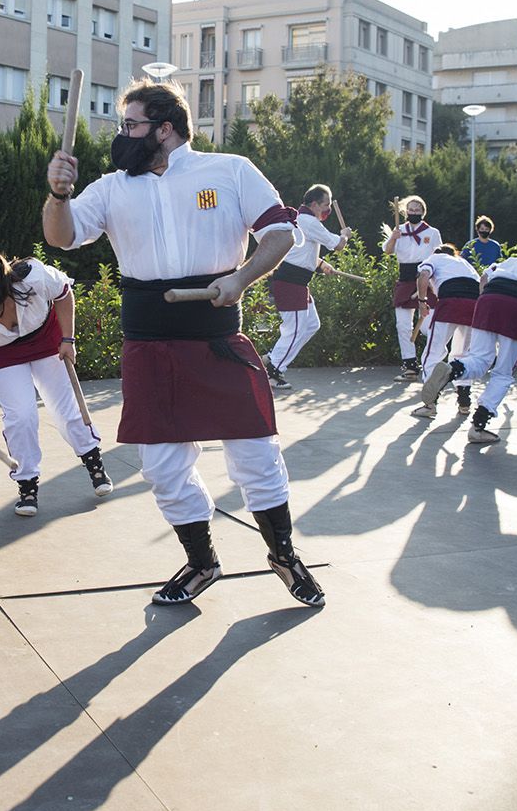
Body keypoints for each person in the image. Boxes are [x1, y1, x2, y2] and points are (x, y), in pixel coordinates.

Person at [43, 78, 324, 608]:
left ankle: (284, 555)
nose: (122, 134)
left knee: (257, 455)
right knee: (163, 464)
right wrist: (58, 194)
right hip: (148, 342)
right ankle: (202, 562)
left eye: (131, 124)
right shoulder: (110, 188)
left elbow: (282, 235)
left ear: (164, 128)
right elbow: (60, 236)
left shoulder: (230, 170)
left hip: (217, 337)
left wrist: (239, 279)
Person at [0, 248, 111, 516]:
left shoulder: (33, 278)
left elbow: (63, 293)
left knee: (66, 410)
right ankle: (27, 485)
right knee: (21, 417)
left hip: (47, 342)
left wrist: (68, 340)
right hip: (3, 354)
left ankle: (94, 463)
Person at [418, 245, 517, 444]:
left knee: (479, 359)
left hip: (489, 298)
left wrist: (485, 301)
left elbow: (485, 277)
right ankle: (478, 427)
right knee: (503, 373)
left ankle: (451, 369)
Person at [263, 182, 351, 390]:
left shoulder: (303, 220)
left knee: (311, 324)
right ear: (313, 204)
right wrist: (345, 235)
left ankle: (272, 358)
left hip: (298, 282)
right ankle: (274, 371)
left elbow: (301, 252)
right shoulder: (308, 221)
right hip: (290, 282)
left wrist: (321, 264)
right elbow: (337, 245)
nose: (327, 210)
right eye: (325, 205)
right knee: (294, 331)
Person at [412, 245, 480, 418]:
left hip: (450, 302)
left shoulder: (434, 259)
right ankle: (464, 402)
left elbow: (423, 275)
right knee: (463, 354)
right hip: (474, 304)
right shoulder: (465, 264)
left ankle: (429, 404)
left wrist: (421, 301)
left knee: (432, 353)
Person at [382, 195, 441, 378]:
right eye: (411, 209)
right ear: (405, 211)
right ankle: (410, 365)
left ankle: (433, 363)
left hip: (426, 280)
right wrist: (393, 237)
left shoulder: (432, 233)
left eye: (417, 210)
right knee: (403, 325)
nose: (414, 212)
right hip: (405, 279)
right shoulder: (399, 230)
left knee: (429, 325)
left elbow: (439, 256)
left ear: (423, 212)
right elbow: (388, 250)